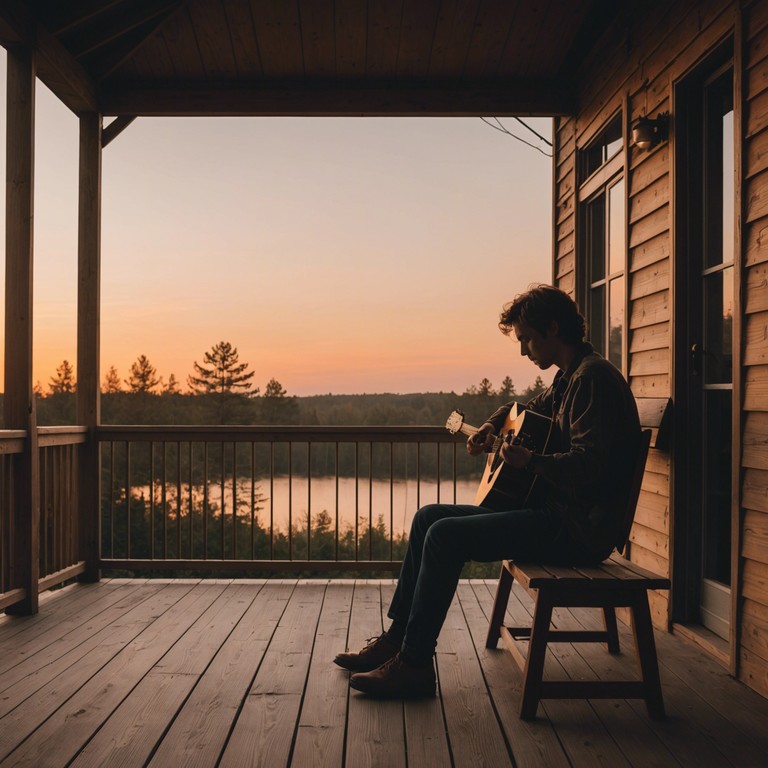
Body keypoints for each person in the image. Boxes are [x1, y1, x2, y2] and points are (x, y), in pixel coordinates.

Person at [333, 284, 641, 698]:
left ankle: (415, 664)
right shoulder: (569, 378)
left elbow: (591, 466)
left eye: (527, 339)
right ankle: (396, 640)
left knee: (444, 536)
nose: (523, 351)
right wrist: (495, 424)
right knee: (429, 517)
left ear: (553, 328)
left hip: (574, 529)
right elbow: (525, 409)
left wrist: (531, 463)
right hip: (553, 516)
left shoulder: (593, 380)